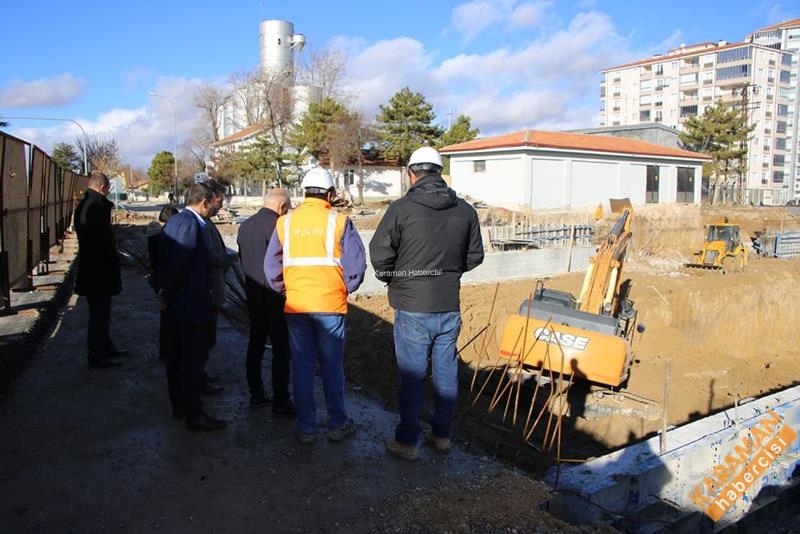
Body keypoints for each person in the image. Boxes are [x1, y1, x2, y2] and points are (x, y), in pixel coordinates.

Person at [369, 146, 484, 461]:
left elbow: (379, 254)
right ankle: (442, 436)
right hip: (448, 306)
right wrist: (446, 274)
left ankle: (407, 442)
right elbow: (475, 257)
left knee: (412, 376)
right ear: (439, 172)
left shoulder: (401, 209)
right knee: (446, 374)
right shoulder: (465, 211)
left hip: (412, 307)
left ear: (411, 174)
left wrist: (394, 278)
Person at [265, 167, 366, 443]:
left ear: (303, 192)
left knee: (302, 367)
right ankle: (337, 425)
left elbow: (271, 267)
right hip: (330, 306)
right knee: (332, 367)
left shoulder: (284, 223)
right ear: (331, 194)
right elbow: (355, 268)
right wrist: (344, 289)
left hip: (296, 307)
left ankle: (307, 428)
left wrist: (287, 290)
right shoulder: (340, 221)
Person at [158, 182, 227, 431]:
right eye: (214, 203)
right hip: (190, 304)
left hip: (181, 302)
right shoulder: (189, 224)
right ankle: (194, 414)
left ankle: (180, 405)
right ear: (204, 202)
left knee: (178, 359)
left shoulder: (177, 220)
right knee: (191, 360)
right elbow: (178, 265)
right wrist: (168, 294)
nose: (215, 208)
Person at [237, 189, 295, 416]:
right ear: (282, 207)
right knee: (281, 350)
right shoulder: (279, 227)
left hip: (253, 295)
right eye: (287, 209)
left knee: (256, 344)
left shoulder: (244, 226)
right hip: (276, 297)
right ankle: (281, 400)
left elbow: (244, 260)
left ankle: (256, 392)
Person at [74, 170, 128, 369]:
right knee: (99, 315)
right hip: (98, 271)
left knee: (101, 313)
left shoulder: (87, 205)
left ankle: (105, 347)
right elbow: (101, 243)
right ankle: (98, 355)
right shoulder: (95, 207)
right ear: (103, 188)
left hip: (94, 270)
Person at [200, 180, 236, 395]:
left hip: (211, 292)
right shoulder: (201, 225)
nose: (221, 206)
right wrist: (227, 258)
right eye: (219, 201)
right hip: (206, 293)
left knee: (208, 339)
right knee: (203, 339)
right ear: (208, 200)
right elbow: (209, 257)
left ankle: (201, 375)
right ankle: (198, 381)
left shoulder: (208, 223)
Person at [147, 205, 179, 363]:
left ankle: (165, 353)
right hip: (165, 284)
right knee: (170, 320)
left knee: (165, 319)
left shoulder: (156, 235)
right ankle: (169, 353)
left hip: (159, 283)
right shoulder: (165, 237)